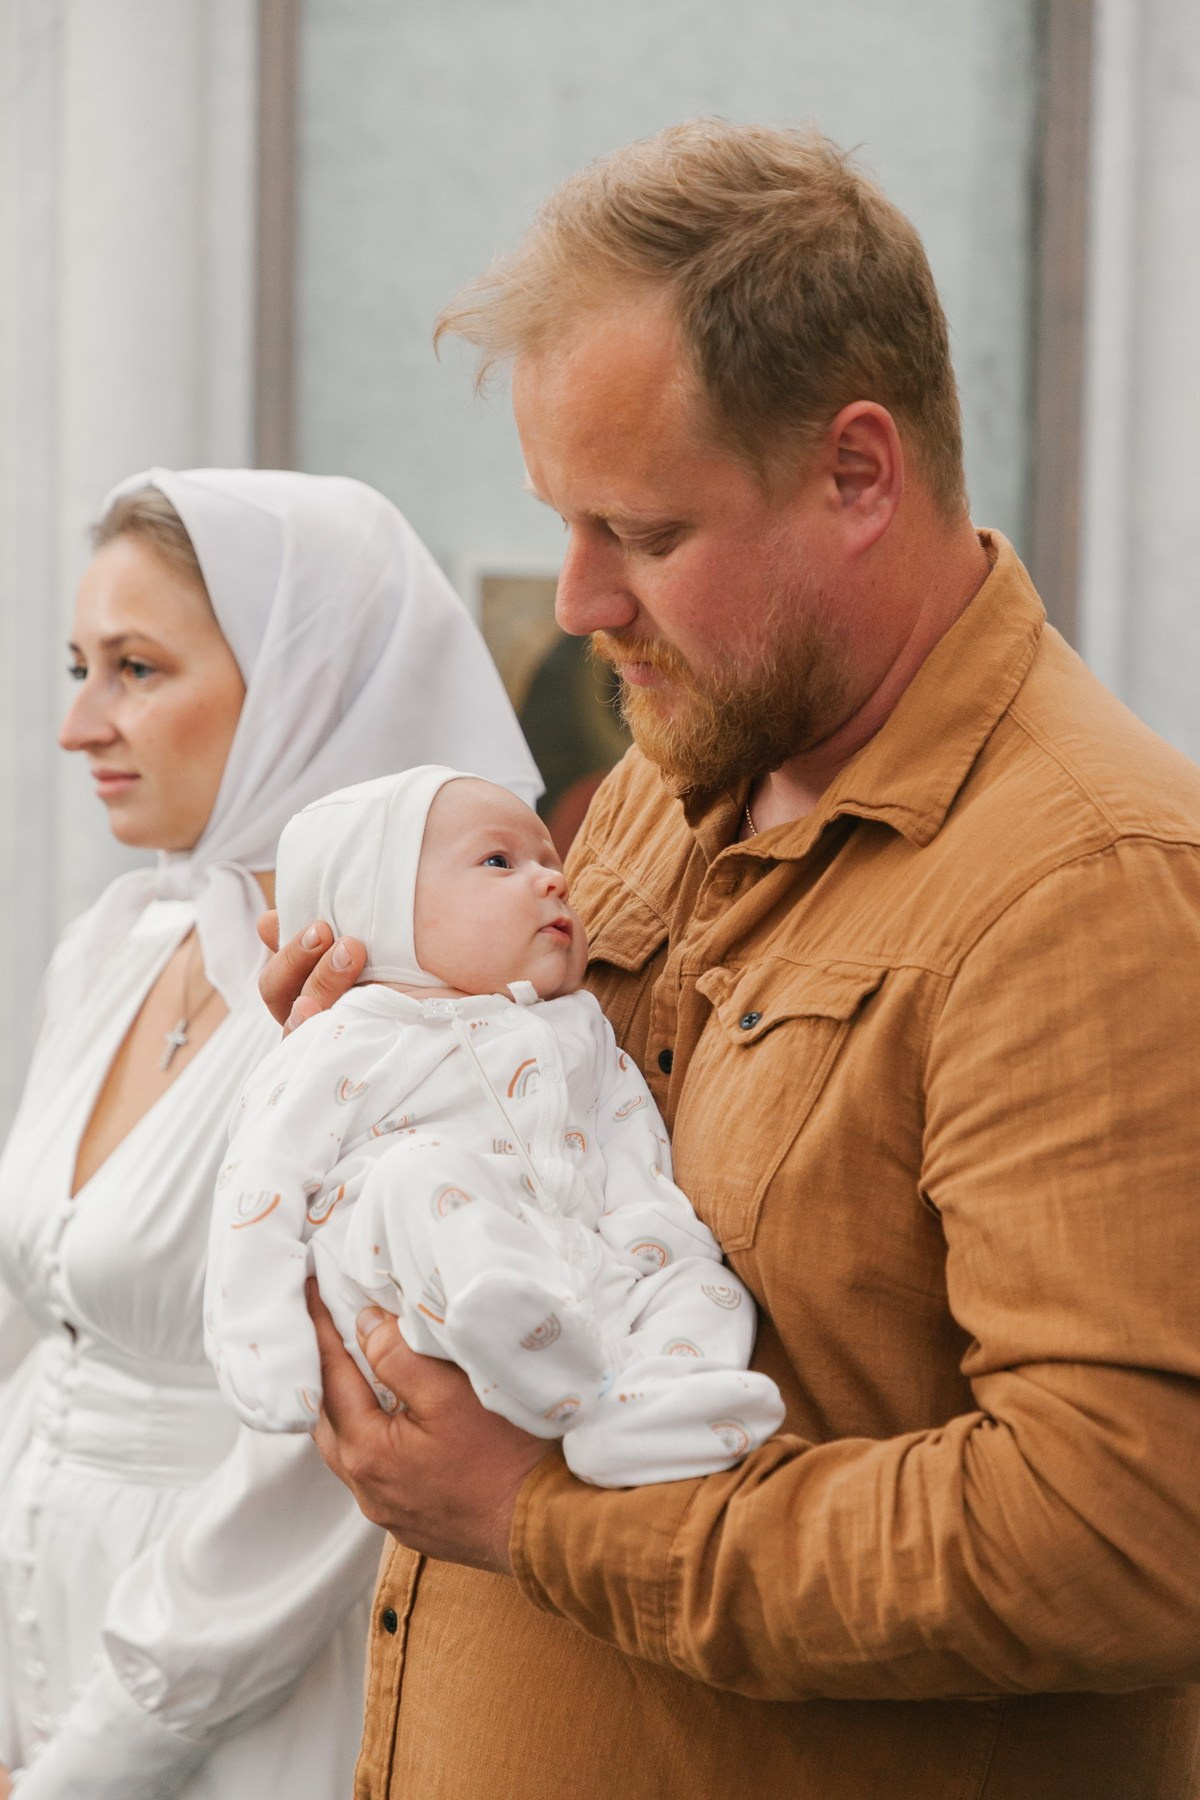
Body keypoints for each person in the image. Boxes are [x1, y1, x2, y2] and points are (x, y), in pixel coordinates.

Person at [263, 123, 1200, 1800]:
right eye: (562, 523)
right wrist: (387, 1075)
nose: (577, 601)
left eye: (641, 531)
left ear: (859, 475)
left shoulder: (1090, 881)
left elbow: (1122, 1532)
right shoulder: (668, 776)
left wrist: (543, 1523)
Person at [0, 469, 540, 1799]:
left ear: (309, 687)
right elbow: (51, 1355)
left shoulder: (410, 1017)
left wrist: (96, 1761)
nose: (79, 723)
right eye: (79, 666)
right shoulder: (117, 946)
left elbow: (328, 1472)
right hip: (43, 1643)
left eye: (136, 668)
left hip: (236, 1704)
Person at [205, 766, 784, 1485]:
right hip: (408, 1279)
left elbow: (635, 1158)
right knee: (417, 1174)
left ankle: (637, 1414)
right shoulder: (346, 1036)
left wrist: (654, 1257)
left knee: (704, 1279)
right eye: (499, 861)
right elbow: (259, 1183)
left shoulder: (581, 1031)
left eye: (550, 860)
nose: (554, 880)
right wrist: (261, 1339)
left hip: (582, 1272)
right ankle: (511, 1326)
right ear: (378, 909)